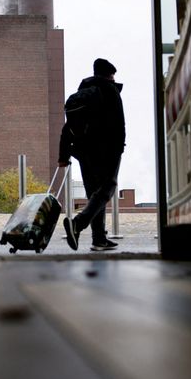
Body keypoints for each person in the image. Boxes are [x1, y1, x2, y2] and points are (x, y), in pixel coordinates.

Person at [58, 58, 125, 251]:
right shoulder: (109, 91)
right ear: (109, 75)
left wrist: (63, 155)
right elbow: (118, 124)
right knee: (107, 187)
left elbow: (66, 128)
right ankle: (78, 224)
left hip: (82, 152)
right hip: (106, 151)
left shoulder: (81, 94)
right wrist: (119, 150)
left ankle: (98, 239)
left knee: (94, 193)